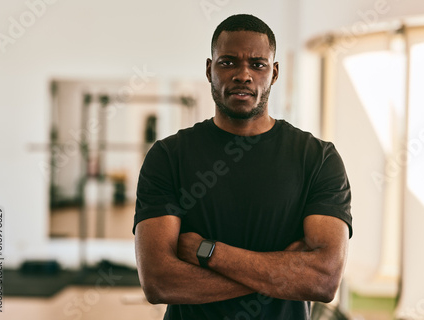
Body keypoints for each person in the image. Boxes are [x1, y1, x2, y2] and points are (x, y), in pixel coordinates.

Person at [133, 14, 352, 320]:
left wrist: (207, 252)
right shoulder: (169, 156)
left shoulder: (317, 158)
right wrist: (283, 273)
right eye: (228, 62)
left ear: (274, 73)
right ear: (209, 70)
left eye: (258, 64)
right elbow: (158, 282)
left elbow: (323, 280)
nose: (243, 75)